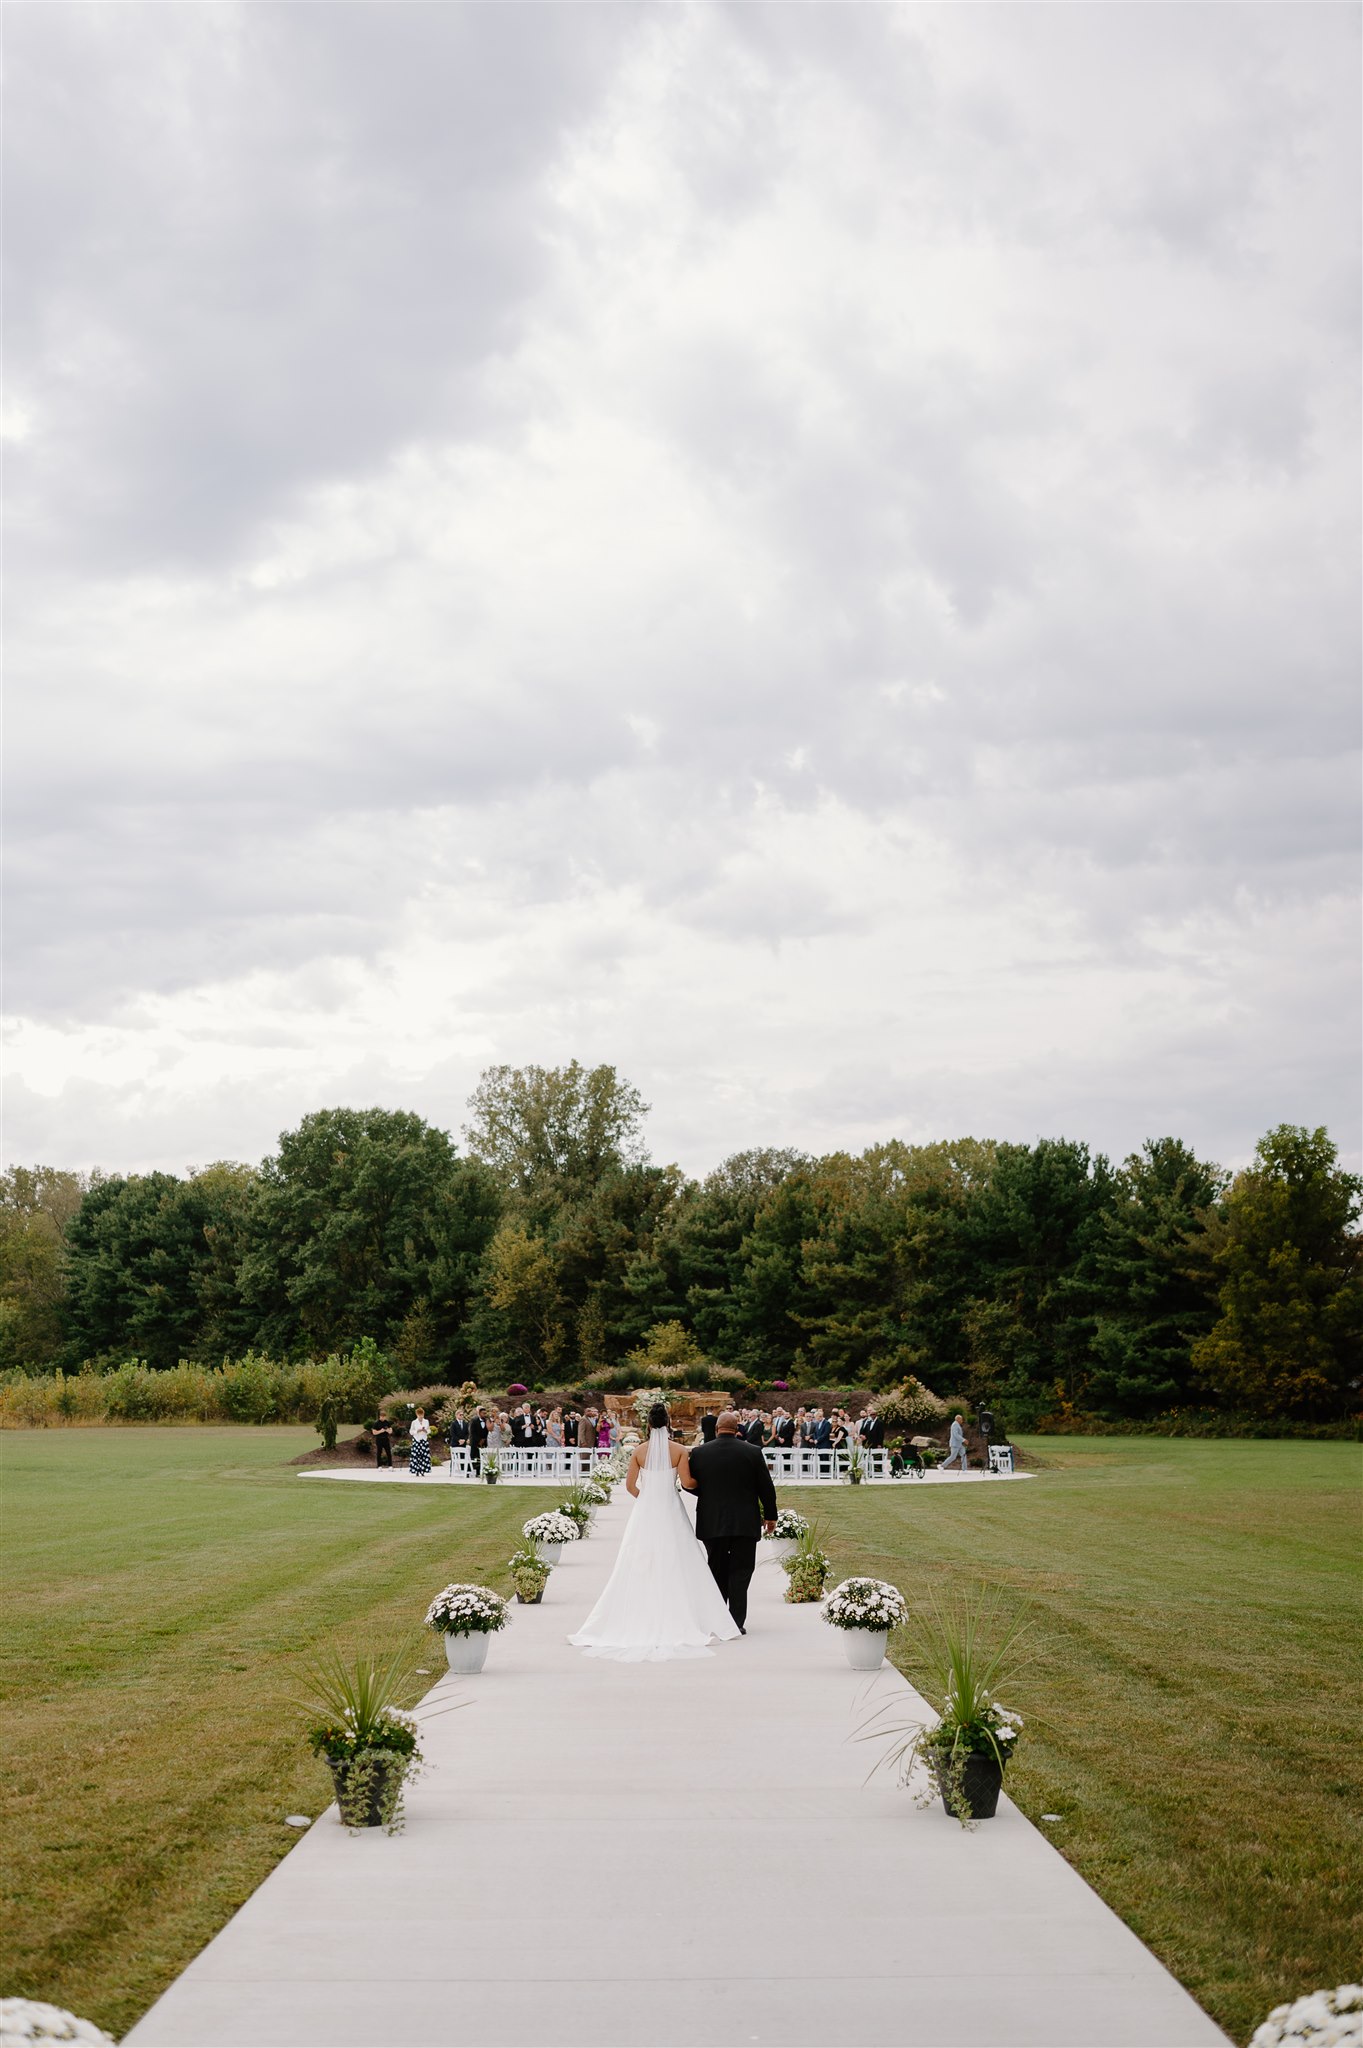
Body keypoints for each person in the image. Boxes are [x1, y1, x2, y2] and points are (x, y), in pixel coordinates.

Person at [569, 1404, 740, 1661]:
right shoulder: (679, 1450)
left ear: (648, 1424)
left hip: (646, 1511)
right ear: (668, 1423)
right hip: (671, 1508)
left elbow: (629, 1486)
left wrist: (646, 1498)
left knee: (639, 1559)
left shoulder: (638, 1451)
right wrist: (703, 1482)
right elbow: (687, 1482)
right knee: (681, 1558)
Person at [683, 1411, 778, 1635]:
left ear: (716, 1429)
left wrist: (708, 1494)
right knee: (741, 1570)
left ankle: (717, 1619)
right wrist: (771, 1516)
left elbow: (689, 1484)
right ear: (738, 1429)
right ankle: (736, 1622)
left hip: (712, 1519)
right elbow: (766, 1487)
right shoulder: (753, 1452)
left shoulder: (699, 1453)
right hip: (745, 1521)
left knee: (716, 1568)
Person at [408, 1406, 432, 1478]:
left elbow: (429, 1430)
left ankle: (423, 1470)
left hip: (424, 1440)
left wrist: (426, 1431)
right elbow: (411, 1431)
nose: (421, 1416)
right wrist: (416, 1431)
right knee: (417, 1455)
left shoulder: (426, 1421)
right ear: (417, 1415)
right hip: (417, 1440)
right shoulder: (414, 1422)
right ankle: (417, 1470)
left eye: (422, 1415)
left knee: (424, 1456)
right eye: (419, 1415)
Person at [467, 1407, 487, 1475]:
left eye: (485, 1413)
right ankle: (469, 1471)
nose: (484, 1414)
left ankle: (478, 1472)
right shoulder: (474, 1420)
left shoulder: (486, 1420)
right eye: (483, 1413)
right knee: (473, 1457)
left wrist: (484, 1439)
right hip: (475, 1442)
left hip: (483, 1442)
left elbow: (486, 1431)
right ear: (479, 1413)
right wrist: (479, 1440)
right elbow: (472, 1432)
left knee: (480, 1457)